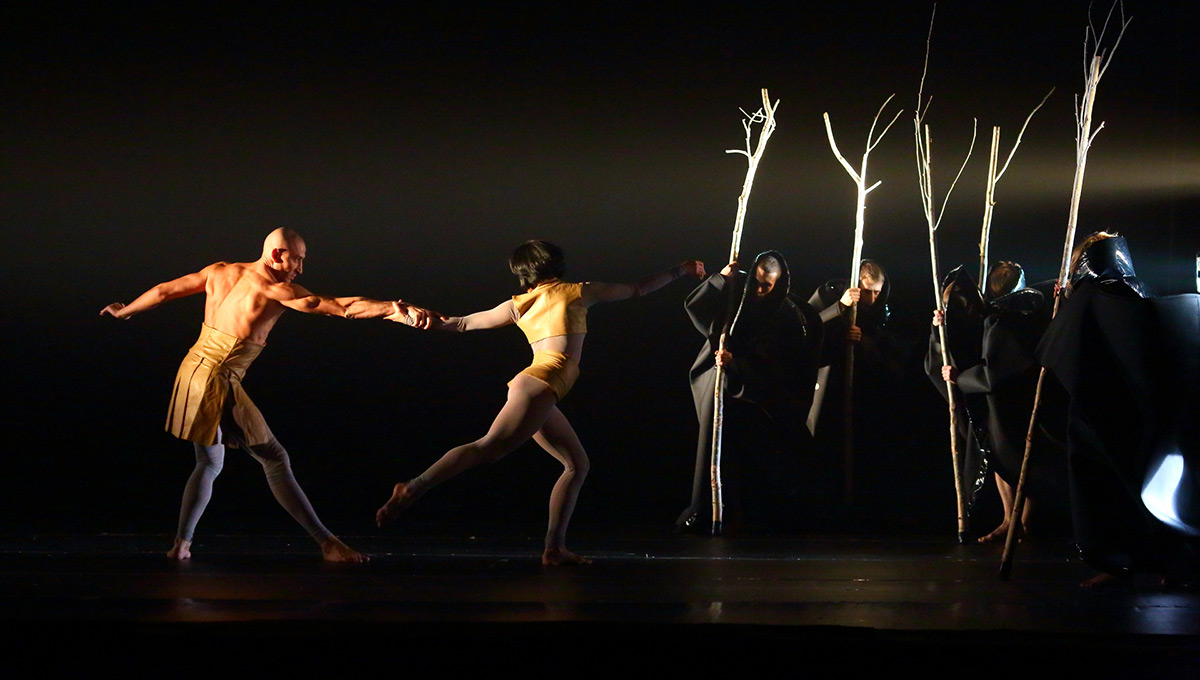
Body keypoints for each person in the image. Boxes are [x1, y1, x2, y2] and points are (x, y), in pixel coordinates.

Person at [100, 228, 428, 562]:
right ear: (275, 255)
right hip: (217, 378)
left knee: (209, 462)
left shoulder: (219, 271)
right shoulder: (273, 289)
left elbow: (163, 291)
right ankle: (327, 544)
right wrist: (392, 309)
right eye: (296, 260)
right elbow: (338, 307)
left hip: (192, 370)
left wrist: (125, 311)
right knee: (274, 459)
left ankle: (181, 545)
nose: (300, 269)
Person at [376, 240, 704, 565]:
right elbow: (637, 289)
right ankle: (413, 487)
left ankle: (554, 549)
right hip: (539, 386)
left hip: (539, 389)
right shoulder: (579, 291)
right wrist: (681, 269)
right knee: (489, 447)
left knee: (576, 466)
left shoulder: (518, 304)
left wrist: (406, 317)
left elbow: (460, 323)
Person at [1039, 232, 1200, 587]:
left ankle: (1148, 561)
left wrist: (1068, 302)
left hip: (1110, 410)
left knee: (1117, 486)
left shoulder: (1103, 292)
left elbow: (1064, 346)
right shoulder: (1130, 289)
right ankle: (1144, 562)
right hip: (1127, 409)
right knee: (1123, 484)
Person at [674, 251, 822, 535]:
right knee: (717, 448)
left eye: (766, 286)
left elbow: (779, 363)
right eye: (756, 282)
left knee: (751, 458)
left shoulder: (785, 314)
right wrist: (721, 279)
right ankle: (708, 510)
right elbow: (698, 309)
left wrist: (737, 366)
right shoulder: (736, 295)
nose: (759, 290)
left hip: (754, 394)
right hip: (721, 386)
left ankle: (750, 515)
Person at [935, 261, 1062, 543]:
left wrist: (960, 377)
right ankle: (1011, 520)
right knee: (1001, 459)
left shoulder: (1007, 319)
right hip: (1003, 405)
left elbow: (996, 371)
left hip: (1016, 401)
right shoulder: (1002, 315)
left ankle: (1022, 523)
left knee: (1021, 460)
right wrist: (942, 328)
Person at [924, 265, 990, 540]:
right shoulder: (951, 323)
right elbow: (933, 365)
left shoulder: (985, 322)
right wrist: (938, 332)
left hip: (983, 403)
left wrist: (961, 377)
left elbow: (989, 367)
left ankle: (983, 516)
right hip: (960, 403)